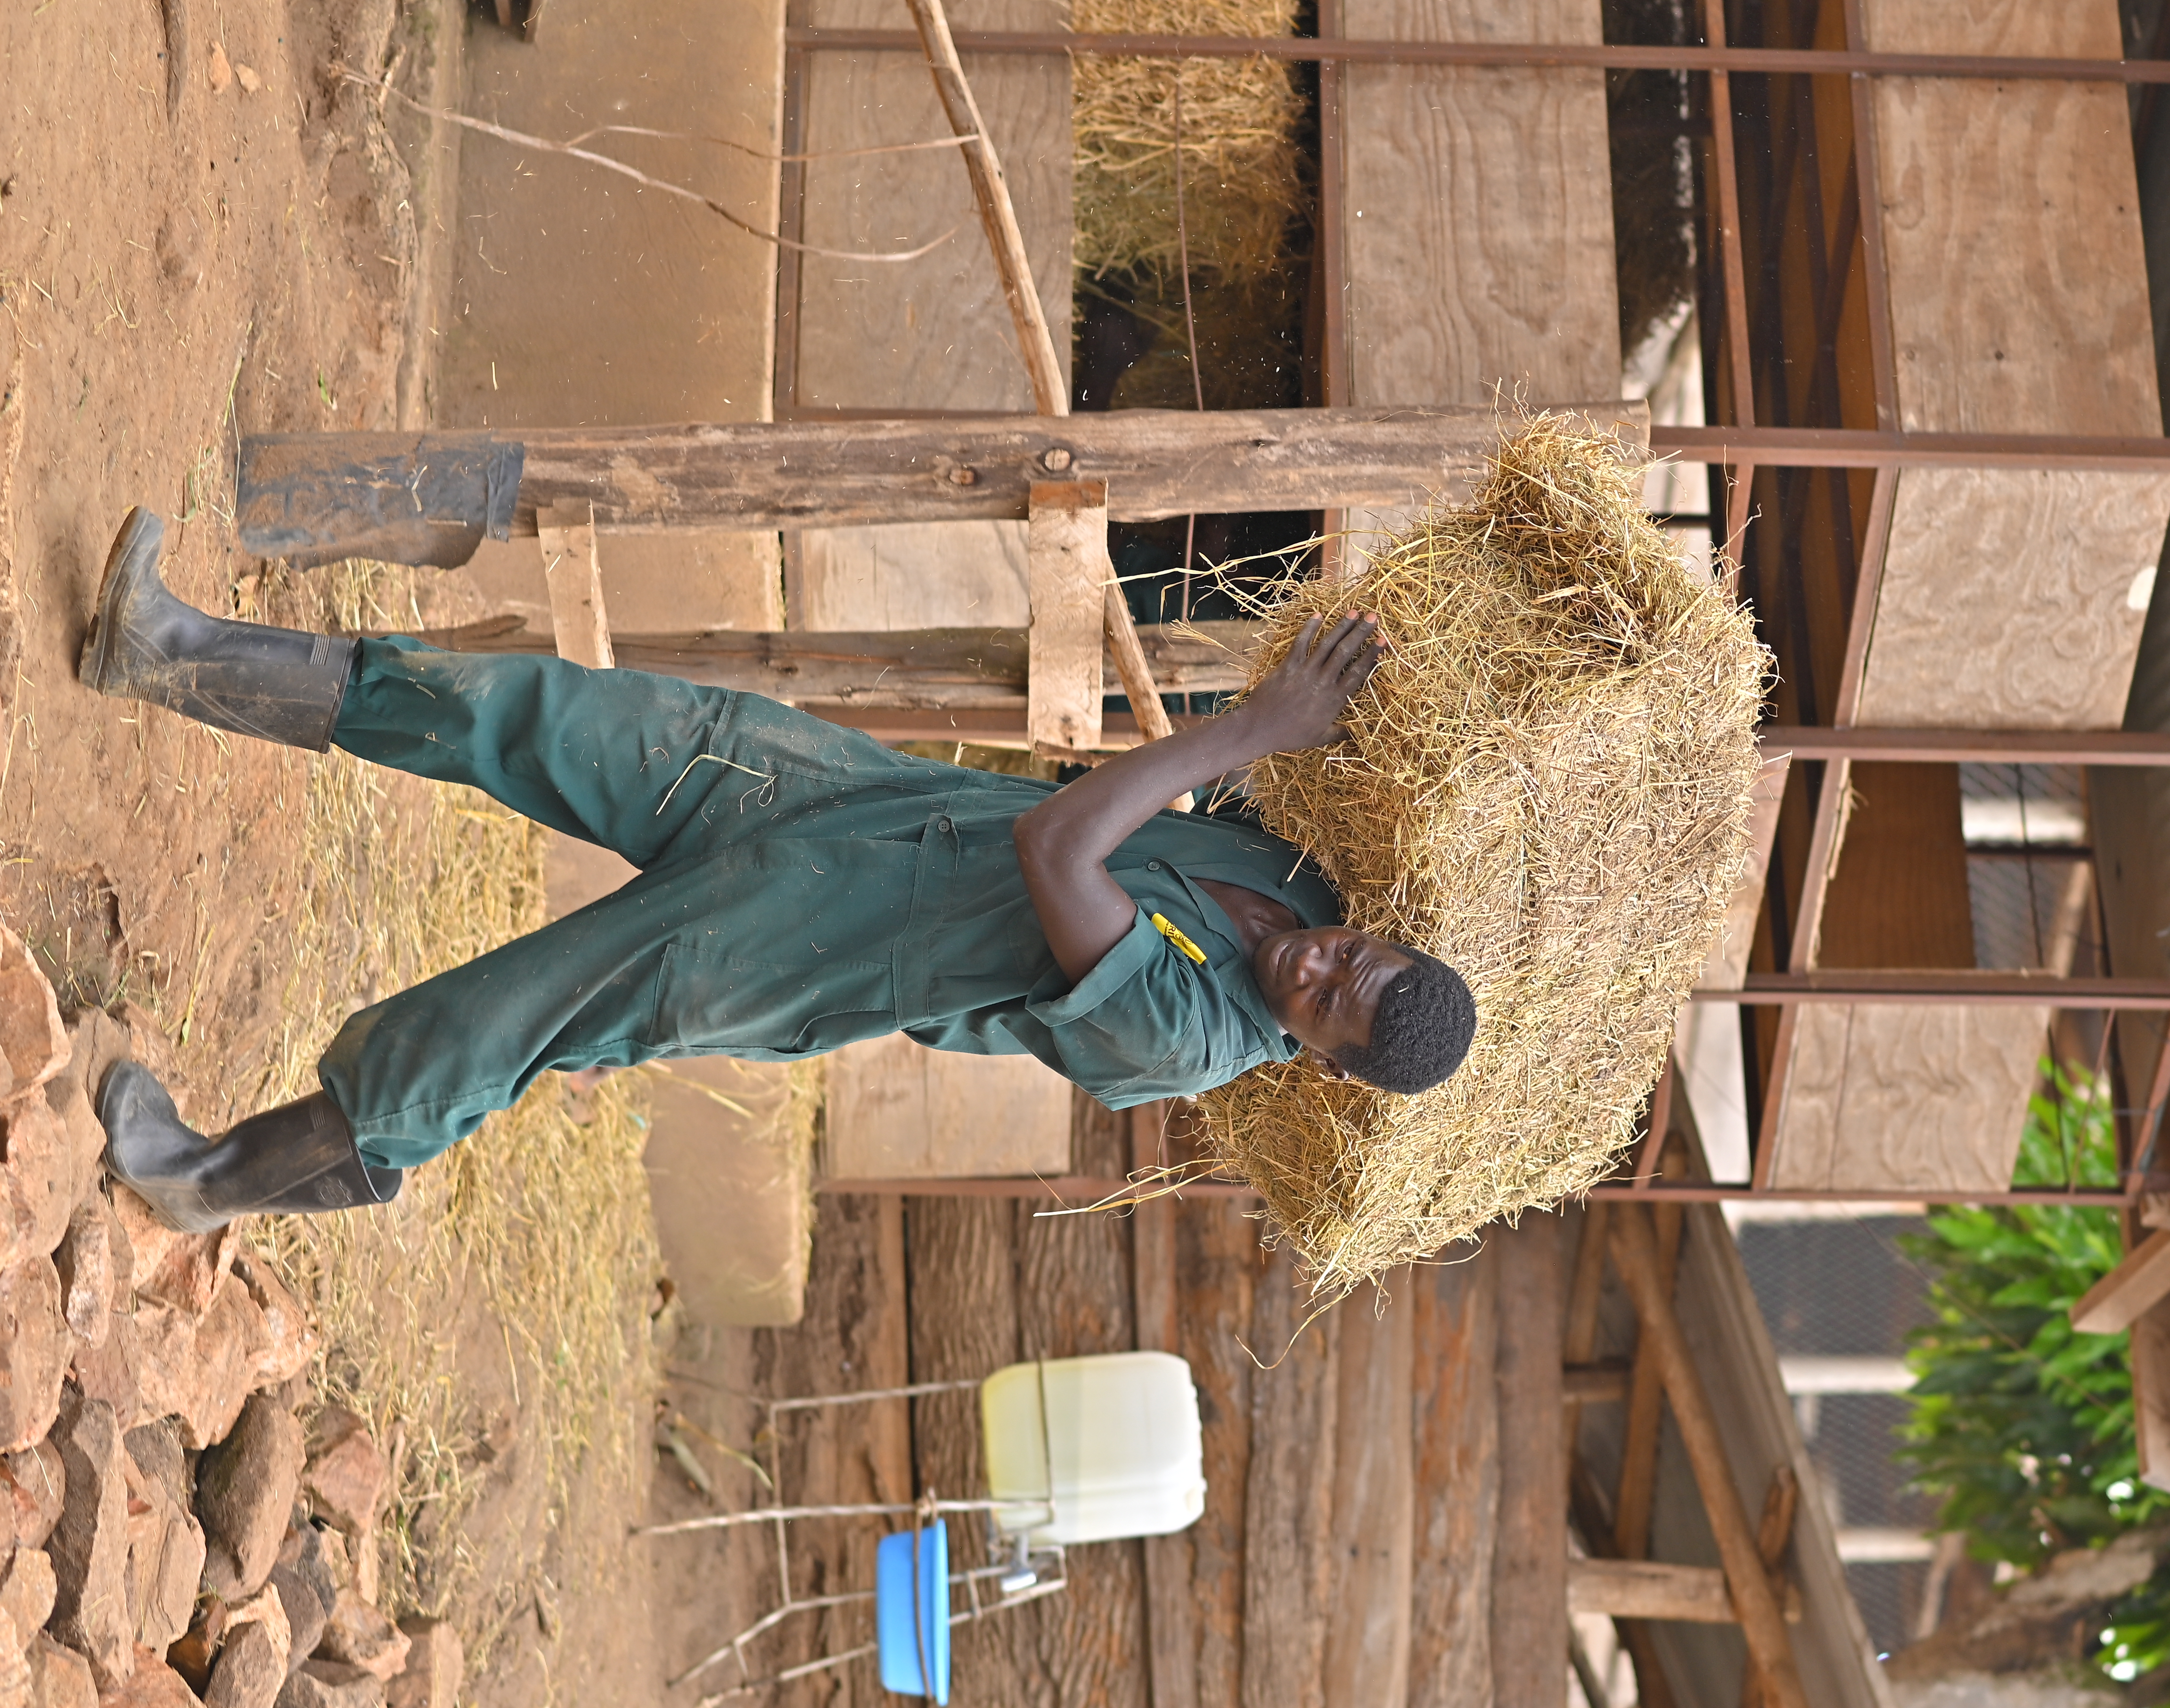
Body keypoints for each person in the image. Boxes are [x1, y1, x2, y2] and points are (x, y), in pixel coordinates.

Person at [75, 507, 1476, 1234]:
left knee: (497, 1024)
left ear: (1322, 1063)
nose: (1316, 963)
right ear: (1378, 933)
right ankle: (169, 653)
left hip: (797, 943)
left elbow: (1061, 842)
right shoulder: (1285, 875)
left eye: (1330, 1002)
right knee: (520, 711)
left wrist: (1248, 726)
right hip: (823, 789)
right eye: (1359, 957)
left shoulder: (1181, 1040)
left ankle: (209, 1181)